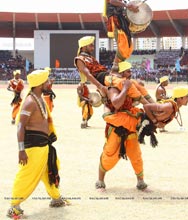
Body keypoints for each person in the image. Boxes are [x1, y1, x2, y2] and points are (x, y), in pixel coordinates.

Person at [7, 69, 69, 219]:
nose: (49, 83)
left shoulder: (39, 98)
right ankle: (14, 206)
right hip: (33, 147)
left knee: (49, 170)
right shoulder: (29, 102)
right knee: (26, 175)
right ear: (40, 84)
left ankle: (56, 198)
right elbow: (21, 126)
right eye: (47, 81)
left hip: (43, 145)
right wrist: (21, 150)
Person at [95, 74, 148, 191]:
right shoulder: (112, 89)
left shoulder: (131, 87)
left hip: (129, 127)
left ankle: (141, 182)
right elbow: (114, 105)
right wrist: (125, 89)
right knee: (109, 154)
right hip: (115, 128)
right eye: (127, 71)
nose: (129, 73)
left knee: (136, 155)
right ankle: (100, 181)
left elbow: (141, 100)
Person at [74, 36, 155, 105]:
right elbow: (88, 74)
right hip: (102, 78)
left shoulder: (89, 57)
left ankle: (154, 104)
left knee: (136, 83)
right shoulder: (79, 59)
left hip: (107, 75)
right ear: (84, 47)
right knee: (126, 84)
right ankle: (150, 107)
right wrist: (100, 87)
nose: (93, 48)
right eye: (91, 46)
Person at [103, 0, 139, 72]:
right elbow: (113, 0)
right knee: (123, 43)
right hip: (115, 17)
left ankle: (119, 68)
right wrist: (127, 5)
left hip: (120, 15)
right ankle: (114, 70)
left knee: (128, 44)